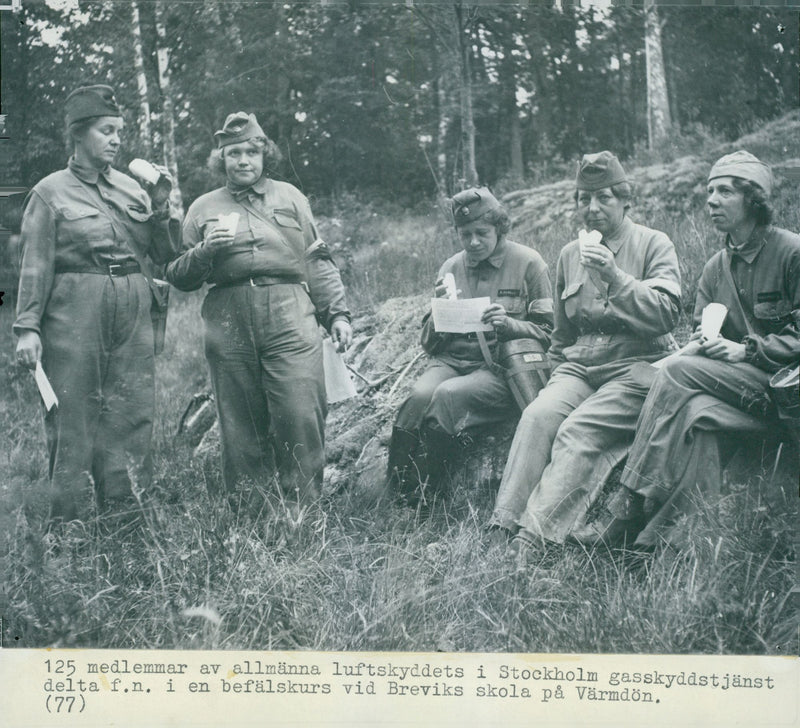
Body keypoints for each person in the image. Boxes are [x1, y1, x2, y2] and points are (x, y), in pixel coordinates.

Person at [581, 151, 800, 548]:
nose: (711, 200)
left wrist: (746, 351)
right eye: (709, 190)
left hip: (784, 396)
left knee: (677, 372)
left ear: (754, 200)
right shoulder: (716, 267)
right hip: (738, 392)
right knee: (697, 419)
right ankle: (668, 542)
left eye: (725, 191)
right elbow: (702, 327)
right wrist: (706, 340)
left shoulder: (792, 253)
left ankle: (627, 499)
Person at [487, 151, 682, 554]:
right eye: (582, 199)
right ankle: (502, 526)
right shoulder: (567, 255)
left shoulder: (652, 243)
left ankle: (535, 537)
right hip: (580, 367)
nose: (591, 209)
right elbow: (561, 335)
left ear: (626, 200)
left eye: (604, 198)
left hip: (634, 364)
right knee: (538, 416)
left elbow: (667, 315)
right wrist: (558, 377)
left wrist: (615, 276)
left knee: (580, 430)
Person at [166, 112, 352, 511]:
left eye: (252, 151)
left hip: (290, 310)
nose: (244, 160)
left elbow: (317, 259)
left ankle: (302, 513)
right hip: (228, 315)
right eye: (234, 153)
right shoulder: (202, 208)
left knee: (300, 411)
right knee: (239, 423)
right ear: (221, 159)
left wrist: (337, 314)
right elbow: (179, 275)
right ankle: (251, 521)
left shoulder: (290, 197)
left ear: (265, 153)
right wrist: (206, 250)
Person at [14, 84, 179, 524]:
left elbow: (163, 253)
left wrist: (162, 206)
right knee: (74, 415)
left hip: (132, 311)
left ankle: (124, 523)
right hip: (75, 314)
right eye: (107, 130)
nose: (116, 139)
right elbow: (35, 264)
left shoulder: (132, 189)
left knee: (130, 412)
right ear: (79, 134)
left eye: (119, 131)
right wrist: (27, 326)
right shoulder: (49, 193)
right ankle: (66, 527)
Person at [385, 187, 553, 504]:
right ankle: (395, 494)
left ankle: (424, 499)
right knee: (418, 397)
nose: (473, 242)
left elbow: (550, 332)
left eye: (481, 233)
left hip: (499, 368)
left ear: (500, 228)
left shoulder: (529, 264)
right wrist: (439, 311)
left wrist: (511, 324)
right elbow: (429, 343)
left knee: (448, 397)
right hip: (450, 361)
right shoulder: (451, 267)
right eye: (465, 235)